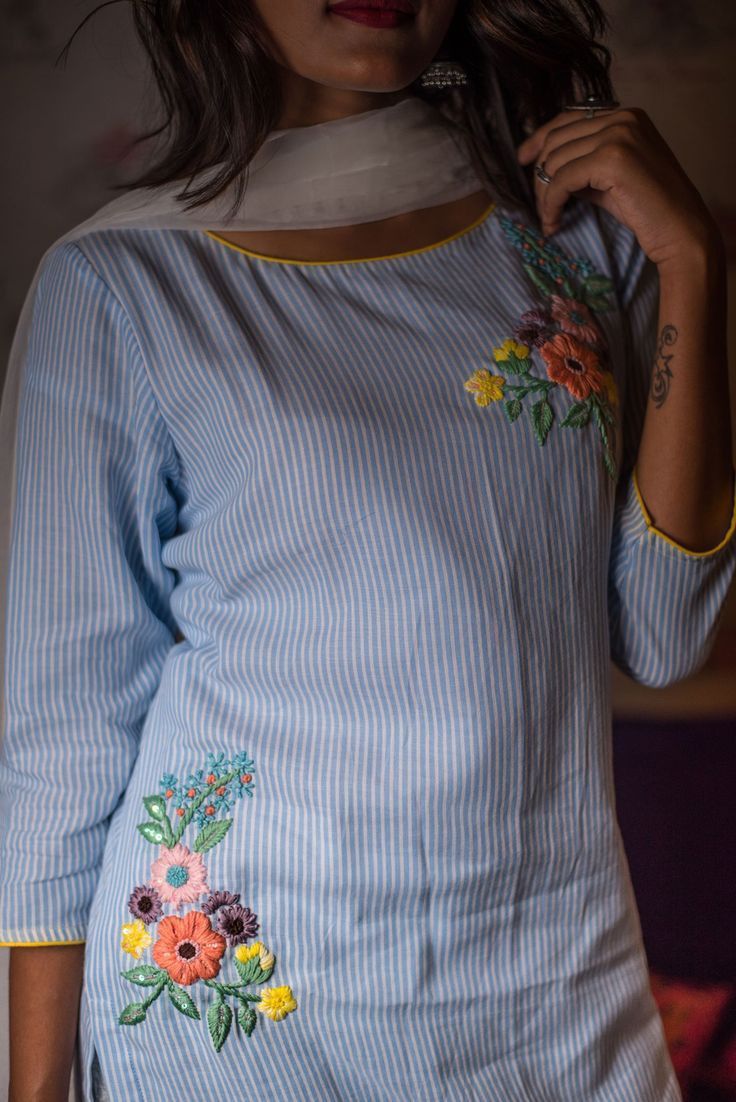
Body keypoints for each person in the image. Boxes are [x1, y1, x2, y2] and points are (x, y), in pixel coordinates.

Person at [2, 0, 735, 1099]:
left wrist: (688, 260)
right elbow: (59, 735)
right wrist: (35, 1086)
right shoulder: (126, 283)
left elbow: (667, 635)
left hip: (544, 991)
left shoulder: (576, 241)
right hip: (234, 1009)